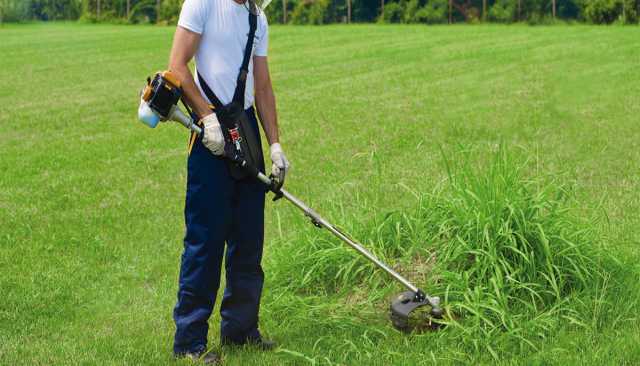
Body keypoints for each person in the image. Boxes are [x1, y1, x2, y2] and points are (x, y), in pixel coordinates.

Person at [167, 0, 289, 363]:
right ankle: (189, 342)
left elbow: (262, 85)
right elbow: (177, 65)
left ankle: (240, 331)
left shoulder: (257, 16)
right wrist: (207, 118)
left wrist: (276, 145)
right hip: (210, 131)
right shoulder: (202, 3)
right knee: (206, 239)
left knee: (249, 238)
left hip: (245, 127)